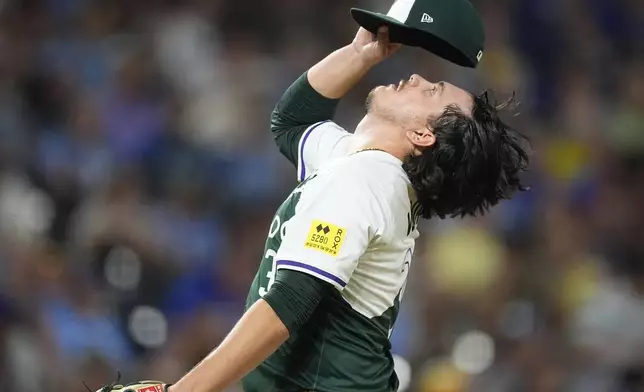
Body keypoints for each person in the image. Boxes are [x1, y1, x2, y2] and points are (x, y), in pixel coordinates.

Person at [97, 26, 529, 392]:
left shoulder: (368, 181)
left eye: (431, 91)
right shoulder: (366, 166)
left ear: (422, 133)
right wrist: (360, 54)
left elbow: (291, 302)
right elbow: (292, 121)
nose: (416, 76)